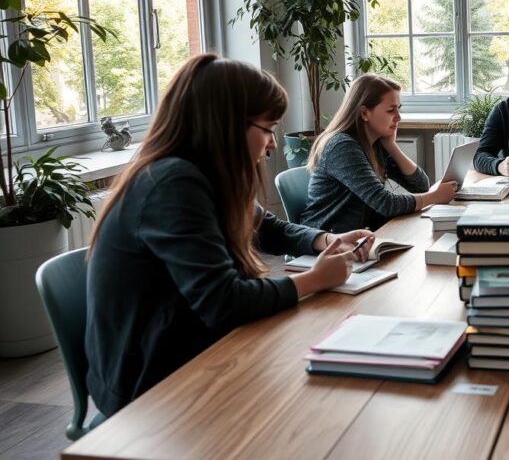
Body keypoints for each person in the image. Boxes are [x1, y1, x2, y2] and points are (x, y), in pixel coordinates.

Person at [86, 54, 374, 417]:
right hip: (150, 384)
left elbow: (267, 227)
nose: (272, 144)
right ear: (226, 124)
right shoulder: (173, 183)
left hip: (192, 346)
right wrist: (315, 280)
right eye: (268, 128)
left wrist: (326, 240)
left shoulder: (202, 174)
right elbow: (223, 301)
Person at [302, 74, 456, 233]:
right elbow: (385, 203)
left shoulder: (376, 143)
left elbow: (420, 185)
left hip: (361, 236)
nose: (399, 117)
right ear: (364, 114)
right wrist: (434, 197)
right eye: (391, 110)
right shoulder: (342, 147)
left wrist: (391, 146)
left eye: (399, 108)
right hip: (328, 240)